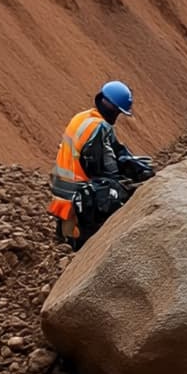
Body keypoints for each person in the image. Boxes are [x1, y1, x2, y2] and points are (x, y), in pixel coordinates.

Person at [48, 80, 154, 249]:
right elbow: (102, 167)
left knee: (69, 232)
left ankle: (65, 236)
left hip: (61, 189)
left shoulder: (84, 117)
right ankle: (81, 241)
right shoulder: (99, 128)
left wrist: (130, 162)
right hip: (78, 196)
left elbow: (115, 149)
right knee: (115, 192)